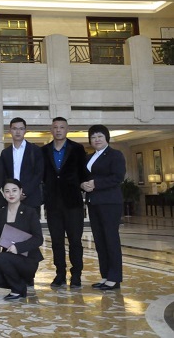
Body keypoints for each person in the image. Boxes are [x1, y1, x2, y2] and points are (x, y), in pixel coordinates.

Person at [42, 117, 88, 289]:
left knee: (75, 241)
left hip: (73, 202)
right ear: (51, 130)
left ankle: (76, 275)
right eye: (55, 127)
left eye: (62, 127)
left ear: (67, 130)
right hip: (53, 203)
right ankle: (60, 274)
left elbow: (83, 172)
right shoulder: (44, 151)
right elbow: (42, 176)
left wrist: (84, 184)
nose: (58, 130)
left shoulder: (77, 149)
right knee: (56, 242)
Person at [81, 124, 126, 291]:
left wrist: (96, 184)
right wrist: (83, 185)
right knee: (100, 240)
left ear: (107, 138)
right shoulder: (89, 157)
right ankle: (106, 275)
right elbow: (84, 177)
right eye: (93, 137)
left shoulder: (115, 155)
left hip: (110, 203)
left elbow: (118, 177)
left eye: (100, 136)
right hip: (94, 202)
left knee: (110, 239)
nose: (96, 139)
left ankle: (114, 278)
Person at [0, 179, 44, 300]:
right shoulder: (0, 213)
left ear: (21, 191)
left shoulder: (30, 212)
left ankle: (17, 290)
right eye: (7, 191)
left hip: (28, 259)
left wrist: (18, 247)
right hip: (8, 259)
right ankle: (20, 285)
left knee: (1, 257)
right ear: (3, 193)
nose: (11, 194)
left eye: (14, 190)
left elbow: (38, 239)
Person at [0, 117, 44, 215]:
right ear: (10, 131)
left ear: (25, 131)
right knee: (13, 225)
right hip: (11, 199)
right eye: (14, 128)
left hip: (31, 198)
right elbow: (4, 175)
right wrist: (10, 192)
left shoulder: (35, 150)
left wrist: (24, 192)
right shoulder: (5, 153)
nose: (18, 132)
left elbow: (39, 174)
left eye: (21, 128)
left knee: (31, 225)